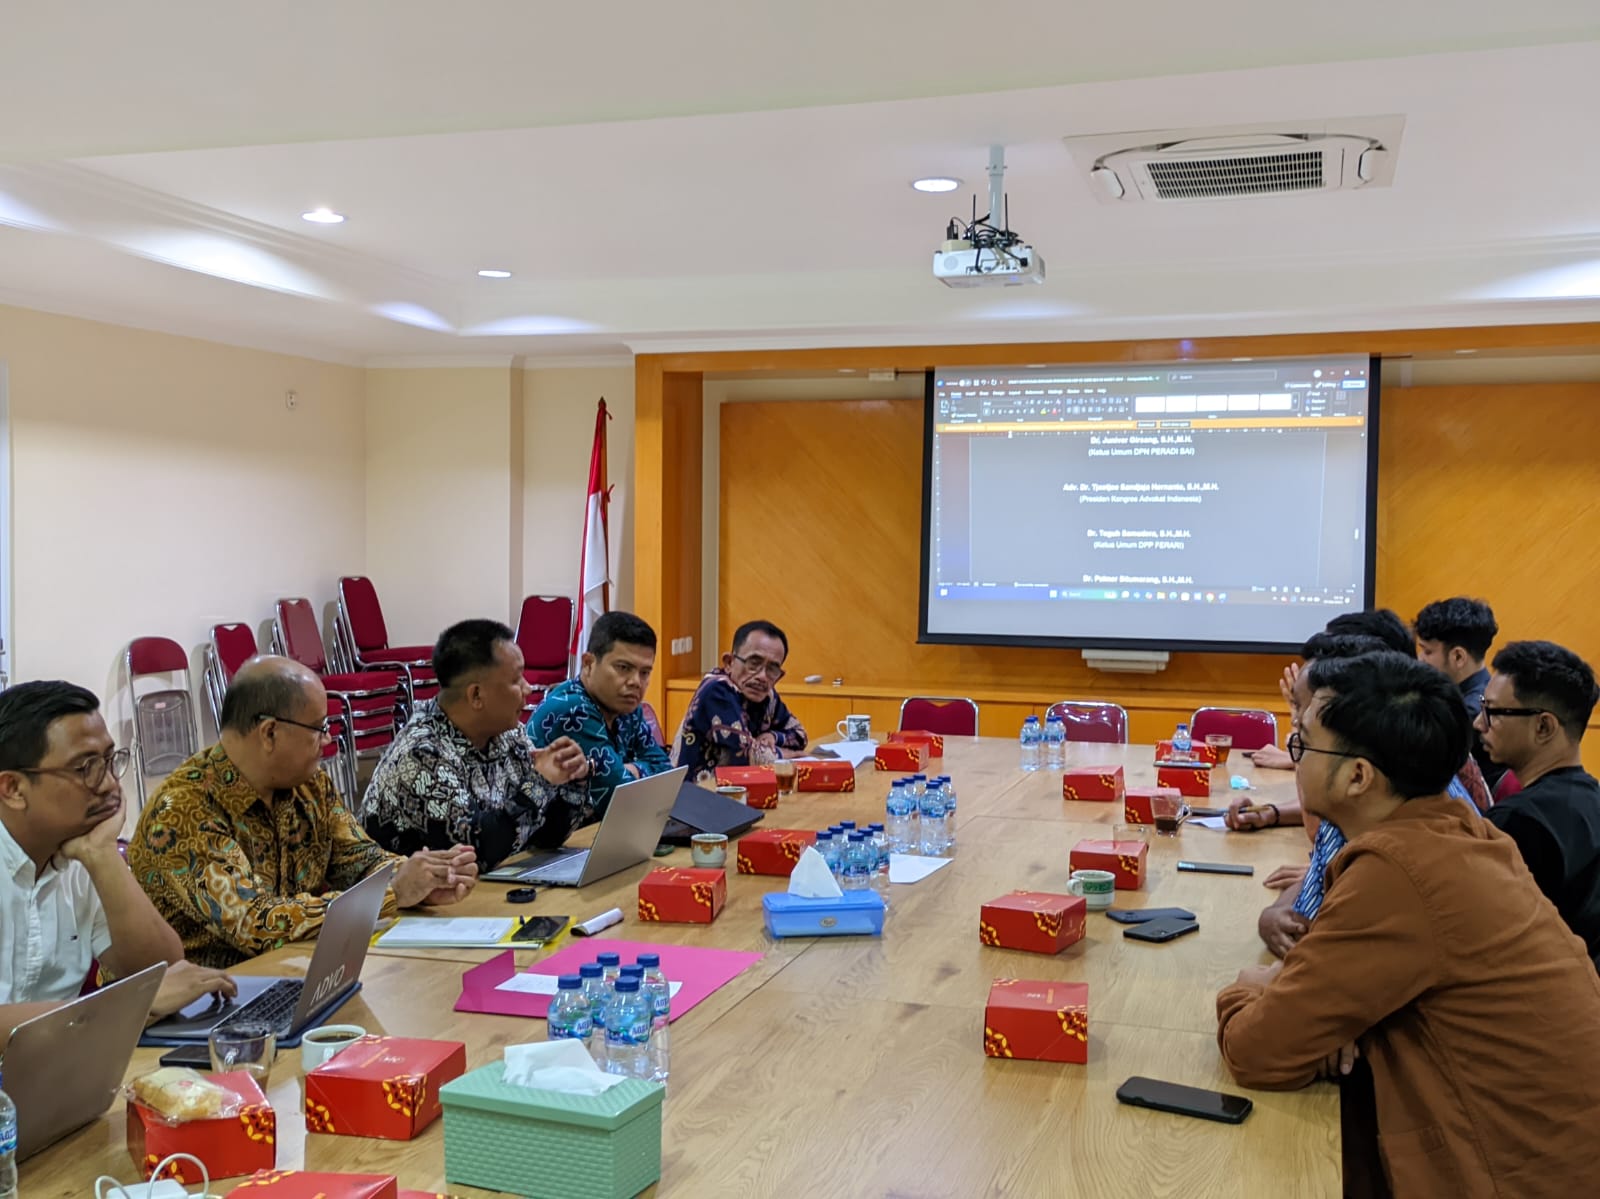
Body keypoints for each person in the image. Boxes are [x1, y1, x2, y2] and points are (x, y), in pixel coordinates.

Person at [1216, 652, 1600, 1195]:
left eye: (1301, 742)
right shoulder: (1457, 827)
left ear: (1357, 776)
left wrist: (1247, 987)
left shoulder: (1399, 870)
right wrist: (1338, 1017)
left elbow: (1257, 1051)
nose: (1292, 759)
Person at [129, 656, 480, 969]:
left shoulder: (309, 786)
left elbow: (360, 861)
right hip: (204, 1007)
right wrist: (392, 895)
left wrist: (424, 878)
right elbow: (255, 923)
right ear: (270, 733)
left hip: (294, 975)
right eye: (319, 728)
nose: (327, 740)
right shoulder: (183, 810)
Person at [0, 681, 235, 1050]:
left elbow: (163, 969)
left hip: (56, 1073)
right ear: (13, 789)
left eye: (110, 761)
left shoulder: (78, 849)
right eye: (85, 767)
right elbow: (151, 991)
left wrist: (103, 855)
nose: (110, 784)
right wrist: (126, 1007)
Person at [359, 619, 591, 867]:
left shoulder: (509, 735)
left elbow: (543, 836)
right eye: (516, 680)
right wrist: (539, 783)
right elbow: (476, 852)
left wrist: (571, 780)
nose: (528, 687)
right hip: (415, 901)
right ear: (476, 695)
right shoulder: (420, 753)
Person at [1479, 640, 1600, 964]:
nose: (1479, 724)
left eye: (1492, 712)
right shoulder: (1593, 800)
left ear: (1543, 726)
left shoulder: (1513, 824)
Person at [527, 611, 674, 814]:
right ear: (588, 663)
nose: (635, 682)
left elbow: (668, 777)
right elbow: (621, 799)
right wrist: (633, 770)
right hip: (552, 841)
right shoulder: (572, 709)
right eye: (623, 667)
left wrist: (632, 771)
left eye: (645, 672)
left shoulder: (626, 706)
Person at [672, 620, 809, 782]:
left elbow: (800, 735)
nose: (762, 677)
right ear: (729, 663)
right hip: (694, 795)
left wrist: (773, 736)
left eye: (772, 669)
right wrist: (789, 755)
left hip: (737, 789)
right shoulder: (716, 690)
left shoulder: (767, 695)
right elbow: (745, 755)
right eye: (754, 664)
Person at [1415, 596, 1503, 787]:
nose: (1420, 659)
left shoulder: (1464, 714)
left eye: (1427, 652)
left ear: (1458, 656)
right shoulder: (1488, 694)